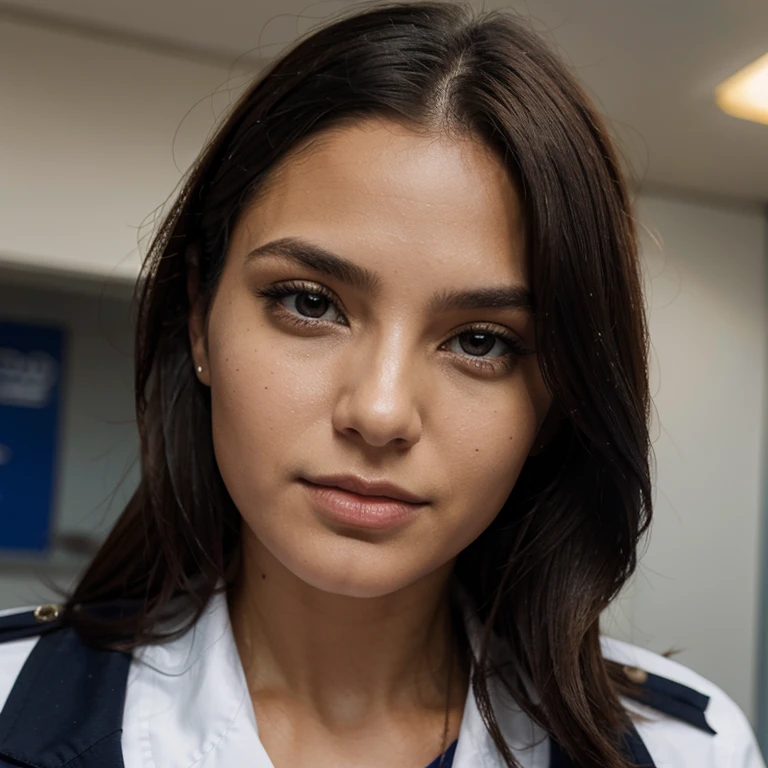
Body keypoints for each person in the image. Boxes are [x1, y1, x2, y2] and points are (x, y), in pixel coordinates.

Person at [0, 2, 763, 767]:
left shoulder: (685, 752)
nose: (380, 410)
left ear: (560, 395)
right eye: (309, 302)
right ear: (200, 318)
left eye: (481, 341)